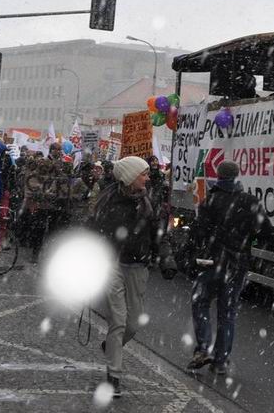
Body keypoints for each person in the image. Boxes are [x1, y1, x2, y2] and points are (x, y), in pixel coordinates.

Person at [93, 156, 177, 398]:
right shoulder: (107, 200)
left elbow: (159, 234)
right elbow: (92, 231)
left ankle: (111, 346)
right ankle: (113, 376)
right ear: (130, 176)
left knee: (132, 324)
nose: (148, 178)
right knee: (118, 322)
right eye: (144, 174)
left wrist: (167, 258)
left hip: (138, 266)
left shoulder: (149, 202)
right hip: (112, 265)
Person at [186, 161, 271, 375]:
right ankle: (220, 361)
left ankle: (203, 347)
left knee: (200, 302)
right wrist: (248, 241)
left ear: (219, 175)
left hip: (211, 262)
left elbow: (198, 233)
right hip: (237, 264)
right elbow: (265, 231)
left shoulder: (210, 201)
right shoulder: (250, 201)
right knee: (227, 312)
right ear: (237, 175)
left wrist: (193, 252)